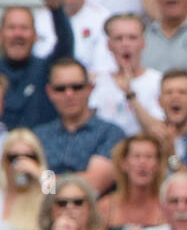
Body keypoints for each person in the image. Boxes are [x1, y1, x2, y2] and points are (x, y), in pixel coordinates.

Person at [33, 58, 124, 194]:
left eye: (77, 87)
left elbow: (94, 185)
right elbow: (26, 186)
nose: (69, 94)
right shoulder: (38, 136)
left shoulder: (110, 133)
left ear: (90, 88)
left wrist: (40, 178)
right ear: (50, 92)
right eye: (60, 89)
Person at [1, 0, 74, 130]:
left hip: (41, 149)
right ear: (1, 35)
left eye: (24, 28)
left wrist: (56, 8)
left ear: (35, 36)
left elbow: (66, 45)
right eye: (11, 28)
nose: (18, 34)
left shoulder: (46, 69)